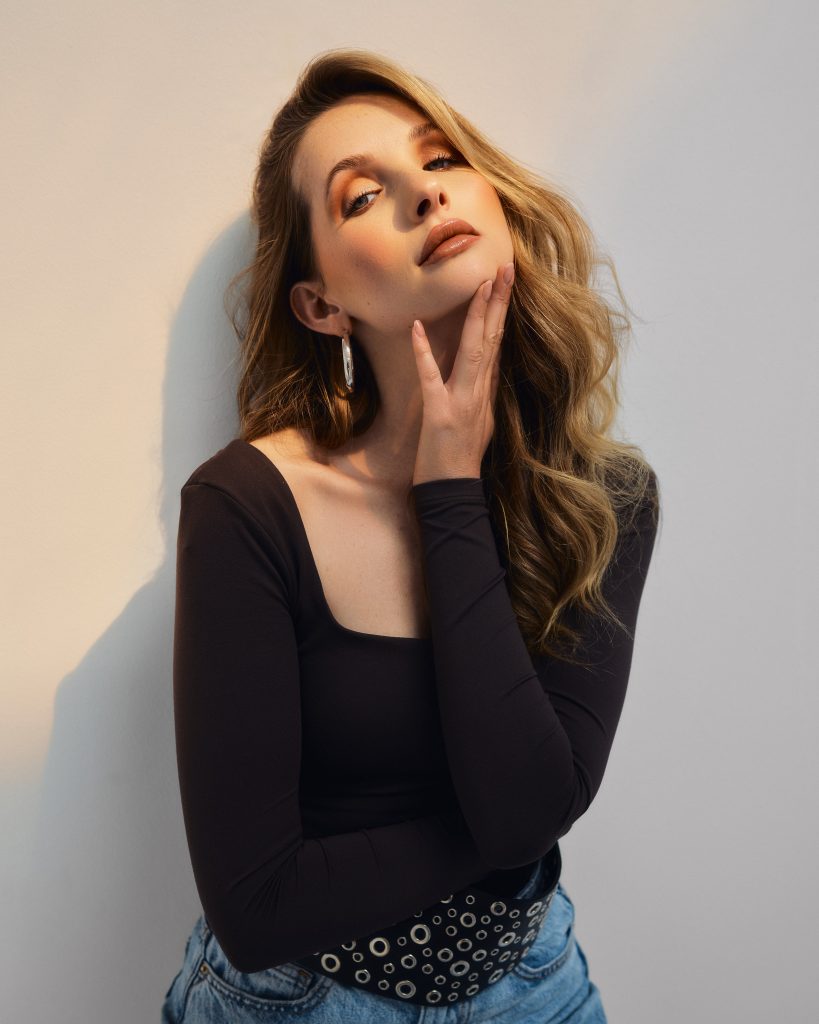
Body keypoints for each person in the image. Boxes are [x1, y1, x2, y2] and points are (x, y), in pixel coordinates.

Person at [161, 47, 660, 1024]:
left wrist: (448, 494)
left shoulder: (607, 498)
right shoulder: (248, 507)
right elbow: (258, 908)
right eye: (362, 196)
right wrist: (515, 816)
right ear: (321, 304)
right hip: (299, 1002)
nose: (425, 194)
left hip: (535, 990)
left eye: (439, 160)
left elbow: (529, 815)